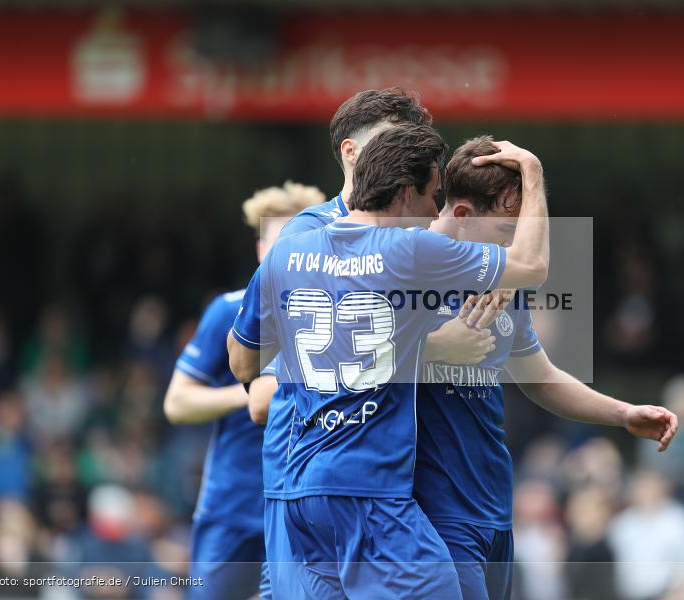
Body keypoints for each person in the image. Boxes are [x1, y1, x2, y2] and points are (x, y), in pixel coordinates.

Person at [228, 123, 551, 599]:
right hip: (369, 489)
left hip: (296, 489)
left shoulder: (291, 249)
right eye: (431, 196)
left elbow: (241, 362)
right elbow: (534, 268)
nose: (434, 212)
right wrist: (533, 171)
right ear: (405, 192)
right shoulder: (410, 249)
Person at [415, 136, 679, 600]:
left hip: (494, 509)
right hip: (434, 514)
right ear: (461, 216)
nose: (514, 250)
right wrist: (436, 347)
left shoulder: (500, 283)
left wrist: (622, 414)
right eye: (504, 233)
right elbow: (351, 362)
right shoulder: (406, 269)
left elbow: (540, 376)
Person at [162, 182, 324, 599]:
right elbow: (177, 403)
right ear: (259, 250)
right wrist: (254, 394)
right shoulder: (229, 311)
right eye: (279, 244)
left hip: (304, 505)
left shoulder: (336, 311)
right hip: (233, 506)